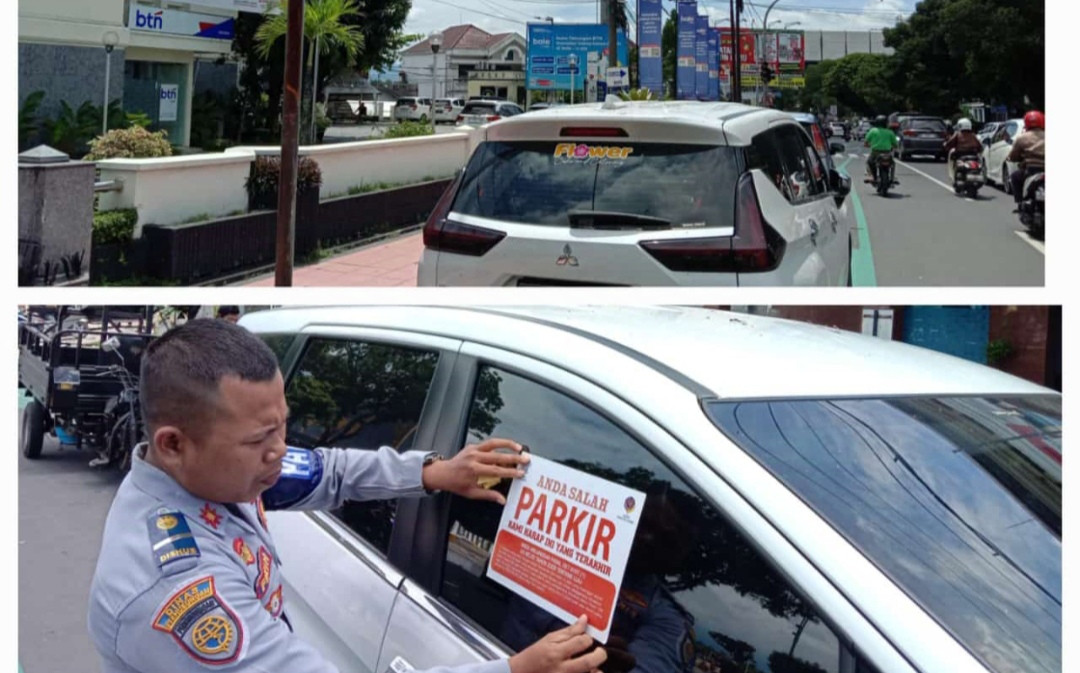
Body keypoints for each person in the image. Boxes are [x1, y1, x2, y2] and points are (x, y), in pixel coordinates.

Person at [88, 319, 608, 673]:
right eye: (260, 439)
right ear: (174, 444)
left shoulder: (229, 472)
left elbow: (328, 472)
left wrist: (432, 473)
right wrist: (513, 668)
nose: (279, 451)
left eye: (283, 428)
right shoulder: (176, 586)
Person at [1007, 110, 1045, 207]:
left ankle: (1020, 203)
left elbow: (1013, 156)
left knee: (1015, 177)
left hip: (1031, 170)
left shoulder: (1022, 138)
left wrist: (1014, 158)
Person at [864, 115, 899, 181]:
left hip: (875, 152)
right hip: (887, 153)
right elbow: (895, 144)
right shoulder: (890, 132)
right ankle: (892, 177)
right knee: (892, 164)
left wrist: (868, 145)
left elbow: (866, 142)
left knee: (869, 162)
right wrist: (893, 147)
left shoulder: (873, 131)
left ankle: (872, 175)